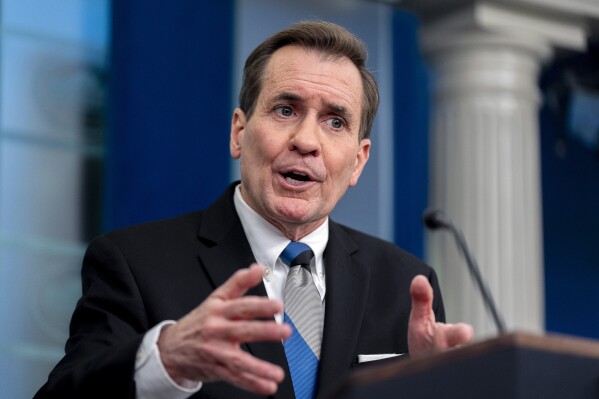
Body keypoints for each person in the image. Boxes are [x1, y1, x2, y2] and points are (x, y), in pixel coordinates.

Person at [35, 20, 473, 399]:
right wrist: (165, 361)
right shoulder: (135, 263)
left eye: (335, 121)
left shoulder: (404, 284)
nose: (306, 140)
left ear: (358, 160)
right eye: (286, 110)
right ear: (239, 133)